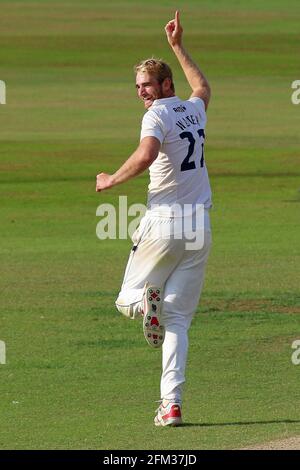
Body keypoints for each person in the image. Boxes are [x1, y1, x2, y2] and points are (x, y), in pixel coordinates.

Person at [96, 11, 212, 427]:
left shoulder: (158, 115)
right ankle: (172, 404)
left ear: (165, 85)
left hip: (164, 223)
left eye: (148, 85)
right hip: (200, 228)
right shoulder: (193, 110)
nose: (143, 93)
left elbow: (146, 156)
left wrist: (111, 179)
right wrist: (178, 47)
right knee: (178, 320)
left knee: (127, 300)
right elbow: (203, 86)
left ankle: (146, 303)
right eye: (139, 87)